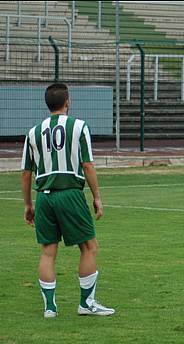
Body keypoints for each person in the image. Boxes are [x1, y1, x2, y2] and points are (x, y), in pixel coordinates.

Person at [21, 82, 115, 318]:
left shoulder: (33, 132)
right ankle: (86, 304)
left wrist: (28, 204)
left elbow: (25, 172)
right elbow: (87, 165)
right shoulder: (79, 126)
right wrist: (97, 197)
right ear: (67, 102)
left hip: (44, 196)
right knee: (89, 246)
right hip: (70, 193)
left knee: (48, 251)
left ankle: (50, 308)